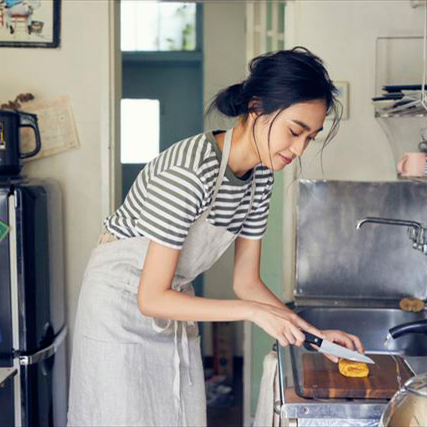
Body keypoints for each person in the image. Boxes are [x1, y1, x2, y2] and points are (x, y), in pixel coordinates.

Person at [67, 46, 364, 426]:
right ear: (256, 107)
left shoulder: (261, 177)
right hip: (121, 308)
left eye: (310, 138)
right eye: (294, 131)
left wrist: (314, 335)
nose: (298, 149)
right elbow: (151, 297)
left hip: (169, 298)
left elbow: (247, 282)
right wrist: (254, 314)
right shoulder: (191, 172)